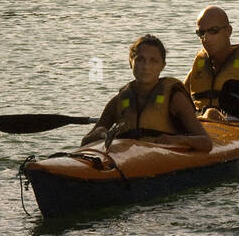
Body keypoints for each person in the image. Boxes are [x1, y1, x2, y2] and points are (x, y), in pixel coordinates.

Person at [81, 34, 211, 150]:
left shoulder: (174, 98)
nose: (145, 66)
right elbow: (84, 142)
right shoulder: (118, 101)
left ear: (162, 66)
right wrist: (98, 133)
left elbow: (206, 143)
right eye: (140, 59)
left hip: (162, 160)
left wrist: (180, 140)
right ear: (130, 62)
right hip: (126, 160)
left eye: (153, 61)